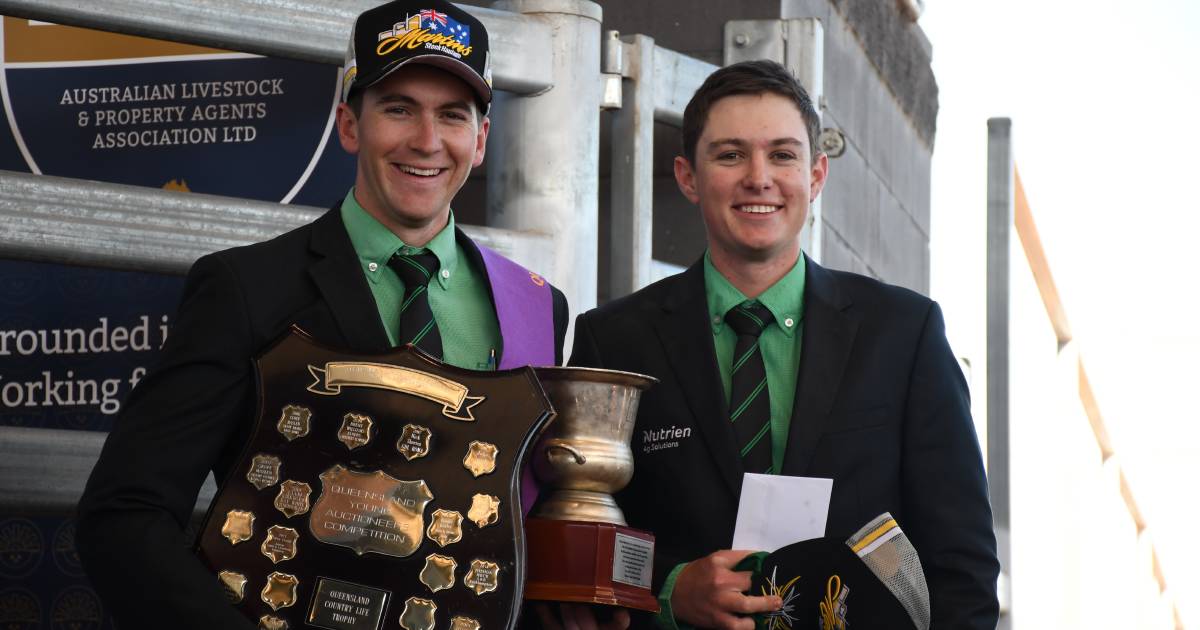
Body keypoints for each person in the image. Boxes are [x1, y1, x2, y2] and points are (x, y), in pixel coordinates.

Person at [76, 1, 567, 628]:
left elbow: (522, 521)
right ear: (349, 125)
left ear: (480, 140)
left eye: (452, 115)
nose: (426, 140)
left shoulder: (536, 305)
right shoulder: (245, 287)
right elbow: (125, 512)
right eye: (398, 108)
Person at [569, 60, 999, 629]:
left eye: (782, 154)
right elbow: (580, 546)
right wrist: (672, 591)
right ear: (687, 177)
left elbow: (961, 565)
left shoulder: (903, 332)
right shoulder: (615, 340)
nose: (758, 177)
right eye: (729, 155)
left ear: (817, 175)